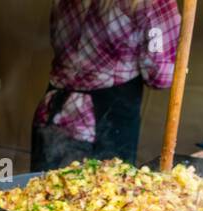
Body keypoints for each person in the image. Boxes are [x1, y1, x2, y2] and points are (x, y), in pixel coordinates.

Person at [31, 0, 181, 171]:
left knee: (40, 191)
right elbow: (161, 77)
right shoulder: (154, 3)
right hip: (104, 121)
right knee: (104, 193)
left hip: (51, 111)